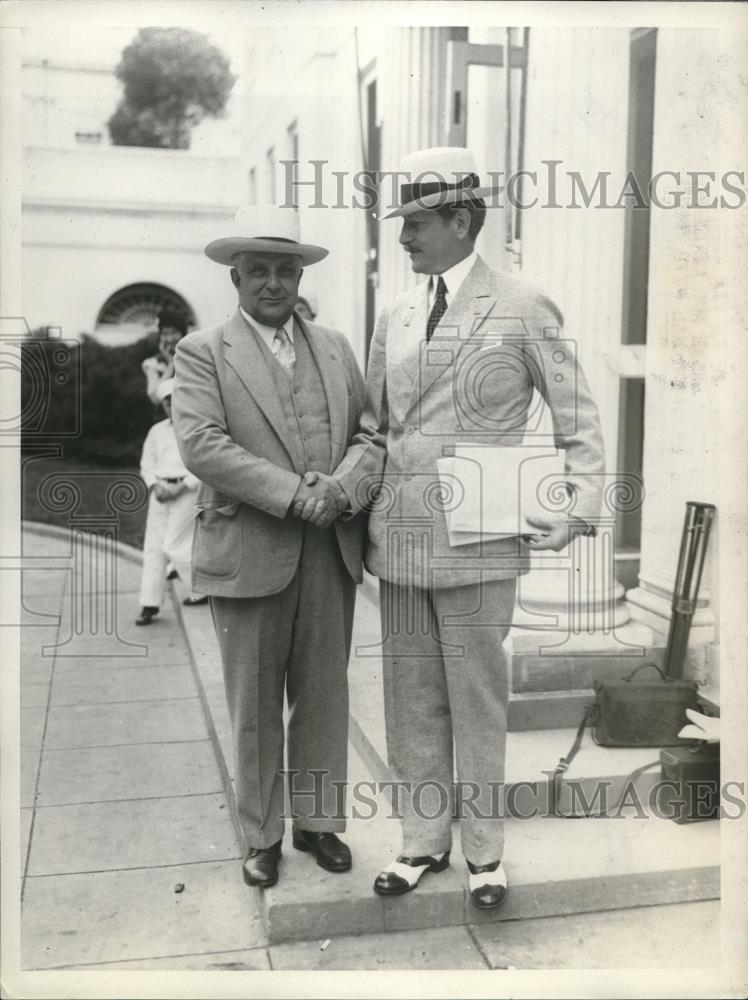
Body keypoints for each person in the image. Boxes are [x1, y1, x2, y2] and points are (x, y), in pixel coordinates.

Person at [329, 147, 606, 910]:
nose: (405, 237)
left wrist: (581, 508)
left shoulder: (521, 304)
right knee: (410, 698)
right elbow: (376, 427)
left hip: (481, 537)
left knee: (476, 698)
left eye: (417, 222)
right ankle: (423, 843)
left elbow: (578, 414)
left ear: (461, 219)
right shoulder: (398, 314)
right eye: (403, 223)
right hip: (401, 539)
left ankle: (485, 854)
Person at [171, 204, 367, 890]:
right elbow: (202, 445)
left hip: (329, 548)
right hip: (249, 548)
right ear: (236, 276)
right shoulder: (202, 352)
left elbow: (372, 436)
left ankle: (319, 823)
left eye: (286, 269)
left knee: (322, 693)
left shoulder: (338, 347)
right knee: (253, 702)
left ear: (299, 275)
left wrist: (341, 490)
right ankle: (261, 835)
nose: (275, 283)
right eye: (259, 270)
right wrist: (294, 492)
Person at [135, 379, 207, 627]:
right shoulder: (156, 431)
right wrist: (155, 486)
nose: (172, 405)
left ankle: (199, 590)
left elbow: (203, 466)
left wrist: (180, 487)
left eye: (176, 399)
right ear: (163, 405)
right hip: (160, 491)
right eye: (167, 401)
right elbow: (147, 464)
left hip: (185, 492)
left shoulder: (195, 428)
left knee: (175, 544)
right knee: (153, 547)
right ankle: (149, 603)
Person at [142, 308, 189, 407]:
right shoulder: (153, 363)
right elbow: (155, 397)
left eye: (174, 332)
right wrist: (171, 365)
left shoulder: (192, 359)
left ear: (183, 334)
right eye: (165, 333)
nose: (170, 339)